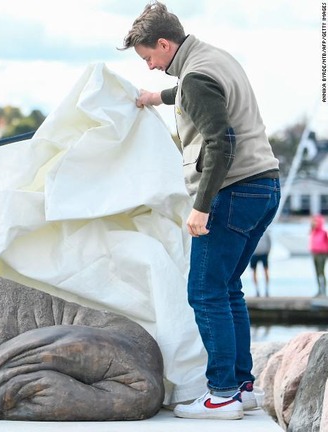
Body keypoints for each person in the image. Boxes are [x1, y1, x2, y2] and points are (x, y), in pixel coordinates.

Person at [121, 1, 281, 420]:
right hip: (264, 186)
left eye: (149, 58)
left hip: (232, 192)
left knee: (205, 292)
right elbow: (196, 94)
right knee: (228, 289)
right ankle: (243, 387)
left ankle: (222, 394)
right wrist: (157, 98)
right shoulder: (214, 57)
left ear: (163, 43)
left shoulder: (195, 76)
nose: (151, 67)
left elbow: (219, 142)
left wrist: (201, 207)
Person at [249, 230, 271, 297]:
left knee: (266, 271)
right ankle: (257, 290)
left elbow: (269, 243)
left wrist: (267, 252)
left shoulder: (265, 231)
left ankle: (266, 289)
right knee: (254, 272)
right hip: (254, 254)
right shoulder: (252, 231)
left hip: (264, 254)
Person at [310, 214, 328, 297]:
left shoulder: (324, 232)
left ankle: (324, 291)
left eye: (315, 221)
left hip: (322, 254)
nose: (314, 222)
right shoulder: (312, 231)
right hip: (315, 253)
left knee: (321, 272)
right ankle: (319, 290)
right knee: (317, 272)